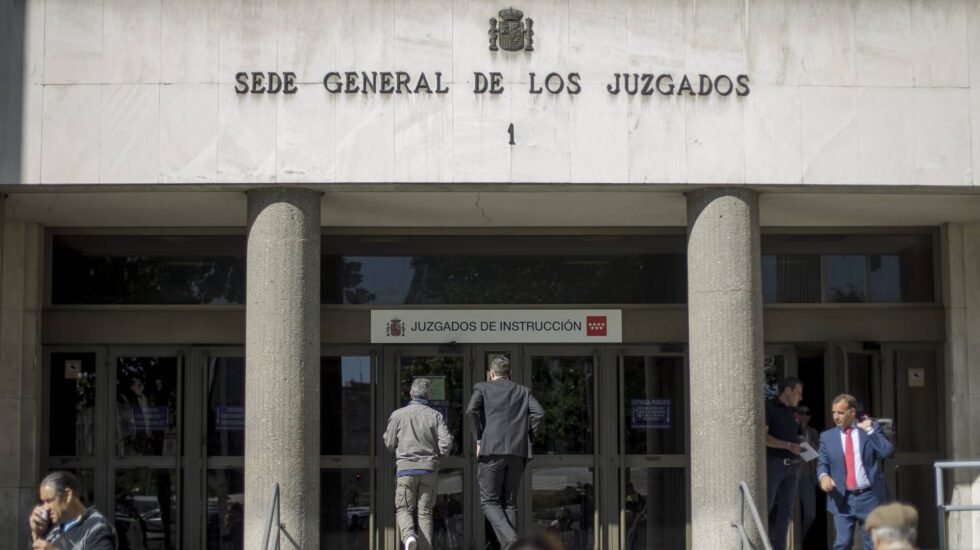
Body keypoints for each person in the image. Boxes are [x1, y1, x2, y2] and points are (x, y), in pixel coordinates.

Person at [466, 355, 544, 550]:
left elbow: (471, 411)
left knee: (489, 502)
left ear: (492, 374)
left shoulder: (482, 387)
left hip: (491, 450)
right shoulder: (523, 391)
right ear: (510, 374)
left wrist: (478, 439)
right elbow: (539, 413)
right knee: (509, 502)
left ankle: (511, 540)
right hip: (518, 452)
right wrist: (529, 438)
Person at [817, 394, 895, 550]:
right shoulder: (827, 437)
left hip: (869, 496)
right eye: (833, 412)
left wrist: (870, 430)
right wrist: (823, 476)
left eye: (840, 412)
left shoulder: (867, 430)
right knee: (843, 543)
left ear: (852, 412)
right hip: (842, 497)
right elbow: (822, 464)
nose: (836, 417)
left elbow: (887, 452)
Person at [383, 377, 453, 550]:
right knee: (425, 513)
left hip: (406, 470)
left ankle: (408, 537)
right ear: (428, 395)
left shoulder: (397, 415)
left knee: (404, 508)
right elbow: (446, 444)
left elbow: (390, 444)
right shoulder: (435, 415)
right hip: (429, 470)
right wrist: (439, 457)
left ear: (411, 393)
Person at [28, 471, 118, 550]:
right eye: (43, 502)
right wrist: (36, 533)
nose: (45, 508)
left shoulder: (97, 528)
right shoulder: (51, 526)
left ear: (67, 495)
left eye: (49, 501)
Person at [764, 376, 804, 550]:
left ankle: (779, 548)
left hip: (793, 466)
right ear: (787, 390)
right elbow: (763, 438)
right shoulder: (769, 407)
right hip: (774, 463)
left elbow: (800, 437)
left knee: (786, 511)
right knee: (767, 506)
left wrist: (806, 448)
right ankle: (761, 544)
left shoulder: (795, 413)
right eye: (798, 393)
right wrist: (787, 445)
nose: (800, 398)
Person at [797, 403, 820, 541]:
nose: (804, 416)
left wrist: (814, 449)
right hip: (792, 474)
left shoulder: (813, 433)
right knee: (791, 513)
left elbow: (819, 456)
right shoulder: (791, 429)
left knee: (810, 514)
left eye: (807, 413)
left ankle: (799, 540)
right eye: (801, 412)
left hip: (807, 475)